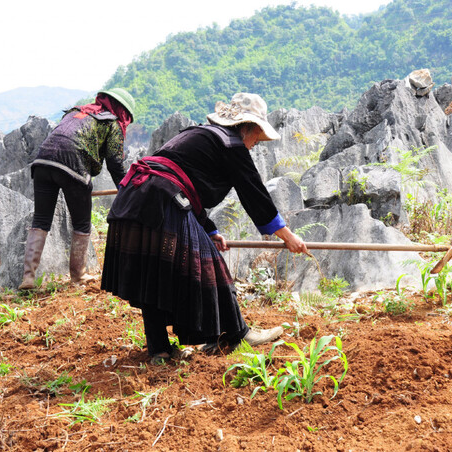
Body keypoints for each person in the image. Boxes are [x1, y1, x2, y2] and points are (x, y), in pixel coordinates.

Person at [101, 92, 308, 363]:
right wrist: (288, 235)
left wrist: (209, 230)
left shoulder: (198, 135)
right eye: (257, 136)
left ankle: (160, 351)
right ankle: (235, 335)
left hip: (133, 197)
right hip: (160, 198)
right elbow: (254, 194)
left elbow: (186, 184)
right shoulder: (231, 145)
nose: (256, 144)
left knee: (153, 274)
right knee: (210, 266)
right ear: (248, 128)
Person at [18, 88, 136, 290]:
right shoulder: (111, 122)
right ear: (123, 111)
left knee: (41, 220)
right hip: (72, 165)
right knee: (82, 223)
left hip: (43, 162)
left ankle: (28, 277)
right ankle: (78, 276)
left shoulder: (74, 112)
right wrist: (126, 190)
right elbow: (115, 163)